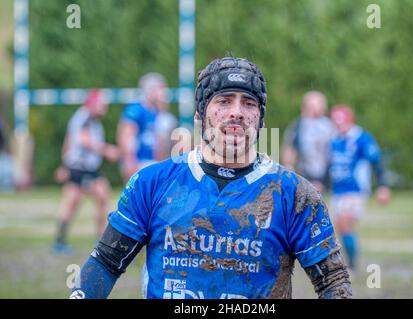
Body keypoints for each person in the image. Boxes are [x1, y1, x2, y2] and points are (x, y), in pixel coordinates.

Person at [70, 57, 351, 299]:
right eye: (224, 101)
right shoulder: (151, 183)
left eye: (249, 103)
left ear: (261, 118)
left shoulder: (295, 194)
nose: (236, 112)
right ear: (199, 114)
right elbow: (106, 262)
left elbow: (333, 281)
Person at [53, 90, 119, 254]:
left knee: (101, 195)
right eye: (102, 104)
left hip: (85, 167)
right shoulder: (86, 118)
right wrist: (106, 150)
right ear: (92, 104)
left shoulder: (88, 119)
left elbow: (68, 140)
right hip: (79, 167)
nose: (105, 108)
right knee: (73, 202)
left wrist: (63, 163)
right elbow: (84, 141)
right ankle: (60, 241)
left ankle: (99, 239)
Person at [328, 105, 391, 270]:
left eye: (341, 123)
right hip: (338, 190)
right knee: (340, 228)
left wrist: (383, 186)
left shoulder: (362, 138)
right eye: (335, 123)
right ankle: (350, 261)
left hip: (356, 189)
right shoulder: (335, 139)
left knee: (345, 223)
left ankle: (352, 265)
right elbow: (331, 165)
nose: (338, 126)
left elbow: (377, 161)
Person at [117, 73, 171, 182]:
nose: (163, 94)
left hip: (151, 161)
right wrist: (129, 161)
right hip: (138, 161)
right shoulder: (136, 109)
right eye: (160, 89)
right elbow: (126, 135)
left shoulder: (156, 112)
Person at [282, 91, 334, 193]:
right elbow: (289, 152)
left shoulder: (330, 127)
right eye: (312, 107)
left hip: (328, 177)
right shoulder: (297, 126)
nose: (316, 111)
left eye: (319, 107)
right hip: (304, 175)